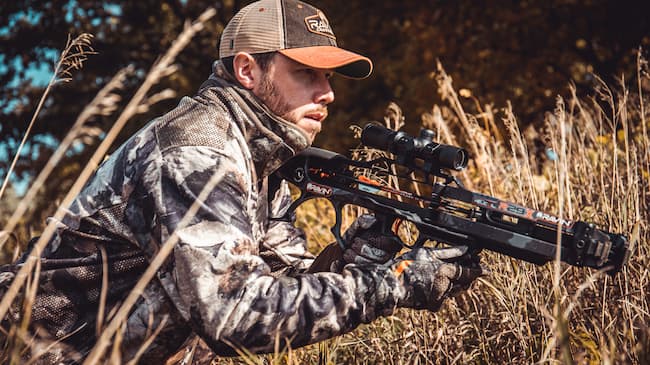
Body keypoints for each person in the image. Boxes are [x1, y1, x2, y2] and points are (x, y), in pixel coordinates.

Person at [0, 0, 483, 363]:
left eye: (330, 78)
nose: (329, 93)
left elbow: (281, 290)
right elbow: (234, 316)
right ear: (248, 69)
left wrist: (365, 254)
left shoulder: (261, 159)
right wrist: (394, 284)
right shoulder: (196, 152)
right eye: (306, 74)